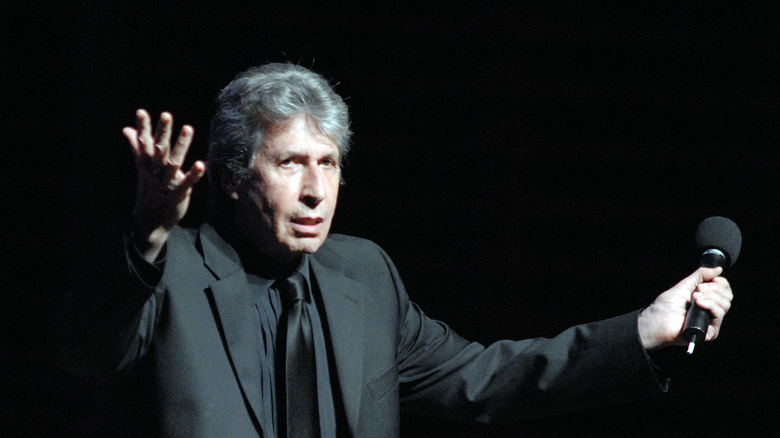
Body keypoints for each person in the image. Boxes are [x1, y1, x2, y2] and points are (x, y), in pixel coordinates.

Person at [58, 63, 733, 438]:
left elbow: (485, 380)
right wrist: (148, 231)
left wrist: (644, 332)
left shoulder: (365, 274)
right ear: (233, 177)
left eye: (328, 163)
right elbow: (86, 354)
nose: (317, 190)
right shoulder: (166, 269)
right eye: (291, 163)